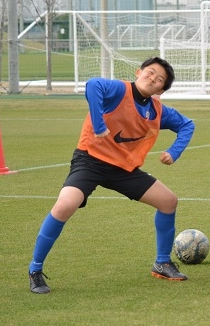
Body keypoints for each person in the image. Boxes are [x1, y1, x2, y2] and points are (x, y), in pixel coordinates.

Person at [28, 57, 195, 294]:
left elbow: (187, 125)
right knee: (65, 205)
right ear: (138, 72)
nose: (152, 79)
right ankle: (35, 270)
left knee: (168, 201)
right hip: (90, 160)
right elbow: (93, 84)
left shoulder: (157, 111)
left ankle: (162, 263)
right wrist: (98, 125)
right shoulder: (119, 90)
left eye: (159, 80)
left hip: (123, 169)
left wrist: (174, 152)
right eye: (150, 72)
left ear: (161, 90)